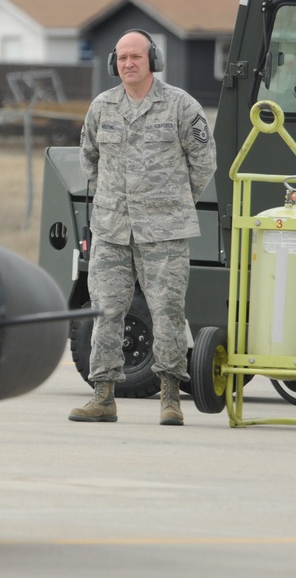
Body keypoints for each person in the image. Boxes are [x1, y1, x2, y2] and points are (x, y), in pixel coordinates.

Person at [68, 29, 216, 426]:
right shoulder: (102, 107)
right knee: (106, 312)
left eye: (136, 56)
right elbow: (90, 159)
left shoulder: (180, 106)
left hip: (164, 231)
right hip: (112, 231)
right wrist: (112, 201)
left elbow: (203, 162)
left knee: (167, 312)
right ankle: (103, 396)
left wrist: (170, 201)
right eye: (121, 58)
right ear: (114, 64)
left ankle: (170, 397)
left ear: (154, 59)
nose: (128, 63)